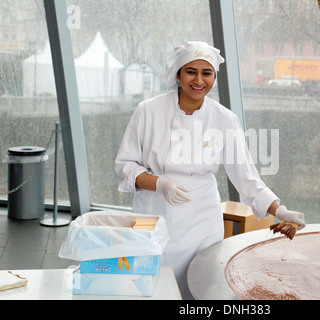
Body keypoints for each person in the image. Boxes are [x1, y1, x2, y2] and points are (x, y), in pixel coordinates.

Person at [115, 41, 306, 299]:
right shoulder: (148, 111)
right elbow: (124, 166)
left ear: (214, 77)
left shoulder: (224, 119)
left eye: (207, 73)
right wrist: (161, 184)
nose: (198, 80)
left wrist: (280, 210)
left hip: (202, 220)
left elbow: (246, 176)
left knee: (200, 288)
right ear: (178, 74)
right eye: (191, 71)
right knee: (152, 287)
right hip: (154, 213)